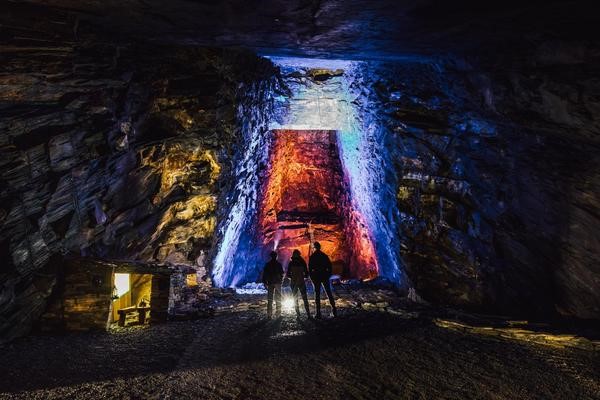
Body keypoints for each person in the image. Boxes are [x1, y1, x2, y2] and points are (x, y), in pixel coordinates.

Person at [308, 242, 337, 318]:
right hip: (324, 276)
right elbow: (329, 266)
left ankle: (318, 313)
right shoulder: (324, 256)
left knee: (317, 294)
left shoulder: (313, 256)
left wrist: (312, 277)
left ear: (314, 247)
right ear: (320, 247)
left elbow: (310, 269)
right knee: (328, 292)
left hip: (316, 277)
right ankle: (334, 310)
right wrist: (328, 275)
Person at [285, 249, 312, 319]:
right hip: (301, 282)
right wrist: (302, 276)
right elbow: (306, 273)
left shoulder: (291, 263)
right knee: (304, 298)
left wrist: (293, 277)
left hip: (293, 283)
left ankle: (298, 314)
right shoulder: (302, 262)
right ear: (299, 254)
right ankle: (308, 314)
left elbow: (288, 274)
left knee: (295, 298)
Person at [262, 250, 283, 319]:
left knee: (270, 299)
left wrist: (265, 282)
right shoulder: (279, 264)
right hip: (277, 283)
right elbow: (282, 273)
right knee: (278, 298)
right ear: (276, 256)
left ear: (271, 256)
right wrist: (281, 280)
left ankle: (269, 315)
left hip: (270, 283)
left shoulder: (268, 264)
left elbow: (265, 274)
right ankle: (278, 314)